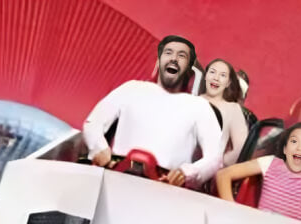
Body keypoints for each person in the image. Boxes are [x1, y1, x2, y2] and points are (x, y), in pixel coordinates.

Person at [83, 35, 223, 187]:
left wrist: (187, 173)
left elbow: (215, 158)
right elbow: (93, 122)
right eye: (168, 53)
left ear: (189, 69)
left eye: (181, 56)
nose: (174, 58)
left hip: (166, 187)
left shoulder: (200, 106)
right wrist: (99, 148)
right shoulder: (131, 88)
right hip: (117, 175)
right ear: (158, 61)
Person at [197, 58, 249, 167]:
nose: (216, 78)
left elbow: (241, 149)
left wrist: (218, 165)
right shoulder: (191, 101)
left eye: (223, 75)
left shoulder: (233, 110)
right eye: (212, 72)